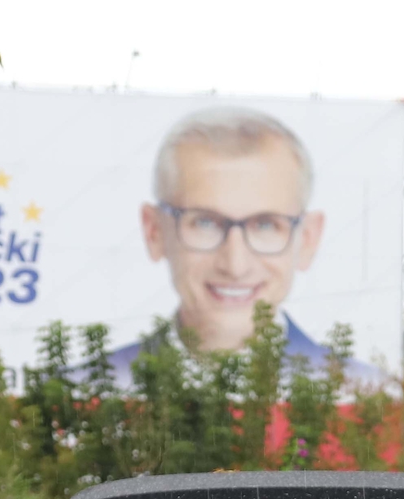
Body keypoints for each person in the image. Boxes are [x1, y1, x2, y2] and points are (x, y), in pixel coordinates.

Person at [108, 106, 383, 386]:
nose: (235, 265)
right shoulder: (80, 395)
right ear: (154, 232)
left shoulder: (367, 394)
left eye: (265, 225)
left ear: (308, 239)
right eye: (205, 223)